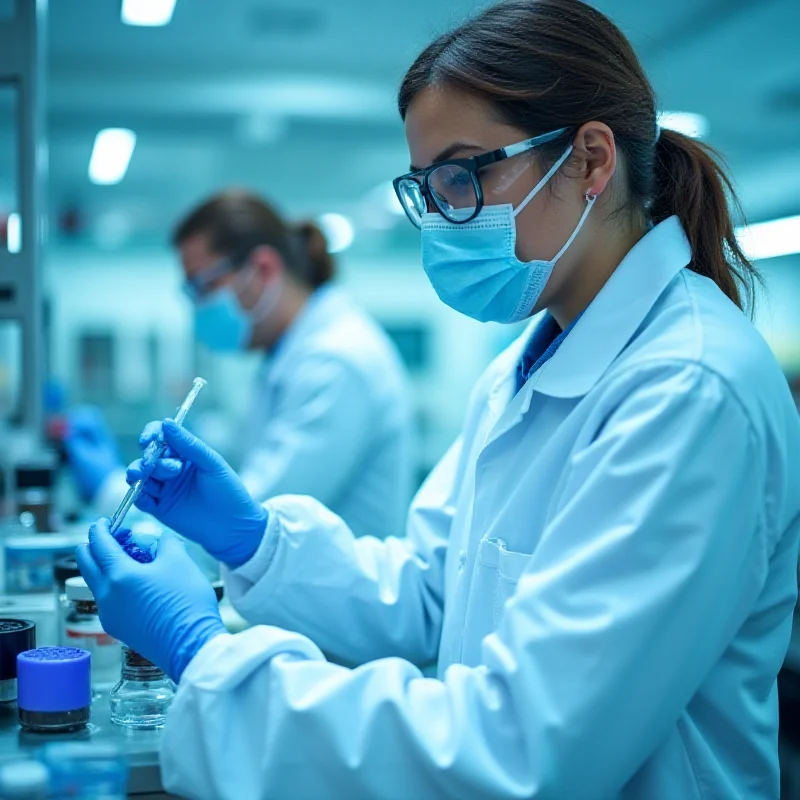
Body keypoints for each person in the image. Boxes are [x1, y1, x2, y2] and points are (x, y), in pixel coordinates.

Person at [77, 1, 800, 797]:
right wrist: (255, 541)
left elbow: (520, 747)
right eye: (428, 185)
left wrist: (203, 651)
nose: (445, 215)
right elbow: (432, 593)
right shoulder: (526, 366)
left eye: (465, 174)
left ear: (591, 161)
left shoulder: (688, 391)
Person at [65, 190, 414, 540]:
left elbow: (249, 520)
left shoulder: (334, 362)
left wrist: (111, 491)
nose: (198, 307)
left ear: (262, 269)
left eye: (203, 287)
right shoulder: (288, 357)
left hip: (334, 591)